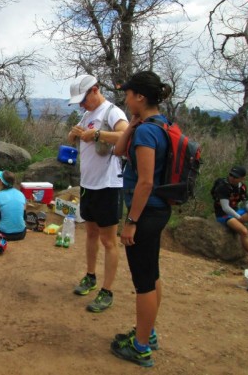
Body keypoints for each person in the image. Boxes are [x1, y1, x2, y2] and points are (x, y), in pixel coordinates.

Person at [111, 71, 173, 367]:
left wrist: (131, 220)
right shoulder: (157, 125)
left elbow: (145, 182)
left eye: (129, 93)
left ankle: (141, 347)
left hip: (146, 213)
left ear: (140, 96)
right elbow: (119, 150)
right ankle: (148, 333)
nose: (126, 98)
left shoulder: (148, 132)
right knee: (153, 273)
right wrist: (133, 124)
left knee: (143, 282)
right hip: (158, 210)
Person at [66, 74, 128, 313]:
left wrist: (98, 135)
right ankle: (90, 276)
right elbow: (81, 140)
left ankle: (107, 290)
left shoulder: (112, 111)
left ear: (95, 90)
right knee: (91, 233)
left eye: (83, 99)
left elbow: (125, 135)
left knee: (108, 240)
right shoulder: (87, 114)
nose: (81, 104)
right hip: (88, 184)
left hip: (108, 185)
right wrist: (74, 134)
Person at [212, 165, 248, 265]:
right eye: (231, 175)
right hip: (224, 215)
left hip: (236, 211)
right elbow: (225, 207)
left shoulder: (241, 187)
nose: (232, 178)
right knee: (244, 231)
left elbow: (247, 203)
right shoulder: (223, 186)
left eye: (235, 177)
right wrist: (239, 218)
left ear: (242, 178)